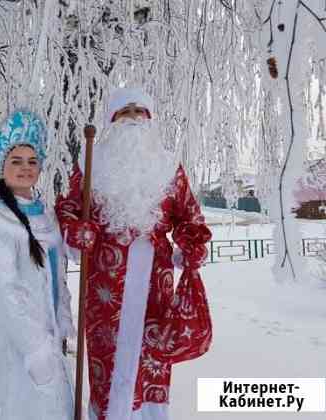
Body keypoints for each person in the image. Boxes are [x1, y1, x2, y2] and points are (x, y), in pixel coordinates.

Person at [55, 88, 213, 420]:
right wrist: (75, 231)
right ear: (112, 119)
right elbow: (68, 208)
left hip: (156, 282)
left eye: (140, 111)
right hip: (104, 284)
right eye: (125, 111)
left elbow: (189, 217)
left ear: (150, 119)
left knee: (150, 356)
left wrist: (192, 244)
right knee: (106, 356)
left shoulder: (169, 166)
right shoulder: (90, 166)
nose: (134, 118)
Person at [0, 110, 76, 420]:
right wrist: (34, 348)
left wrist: (63, 318)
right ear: (2, 167)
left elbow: (58, 277)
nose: (25, 168)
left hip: (49, 337)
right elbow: (5, 293)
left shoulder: (45, 215)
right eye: (16, 161)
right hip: (18, 344)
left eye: (31, 161)